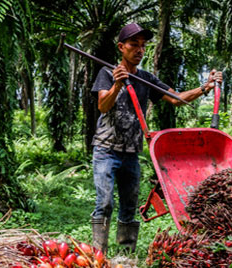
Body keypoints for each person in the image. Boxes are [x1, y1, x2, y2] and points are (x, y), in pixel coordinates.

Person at [90, 22, 222, 253]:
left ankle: (125, 256)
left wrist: (206, 87)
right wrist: (118, 84)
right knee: (105, 203)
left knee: (129, 207)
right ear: (121, 47)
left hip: (131, 152)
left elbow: (176, 98)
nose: (139, 50)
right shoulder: (107, 73)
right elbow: (103, 105)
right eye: (134, 45)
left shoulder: (146, 78)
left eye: (142, 46)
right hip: (106, 150)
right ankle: (97, 255)